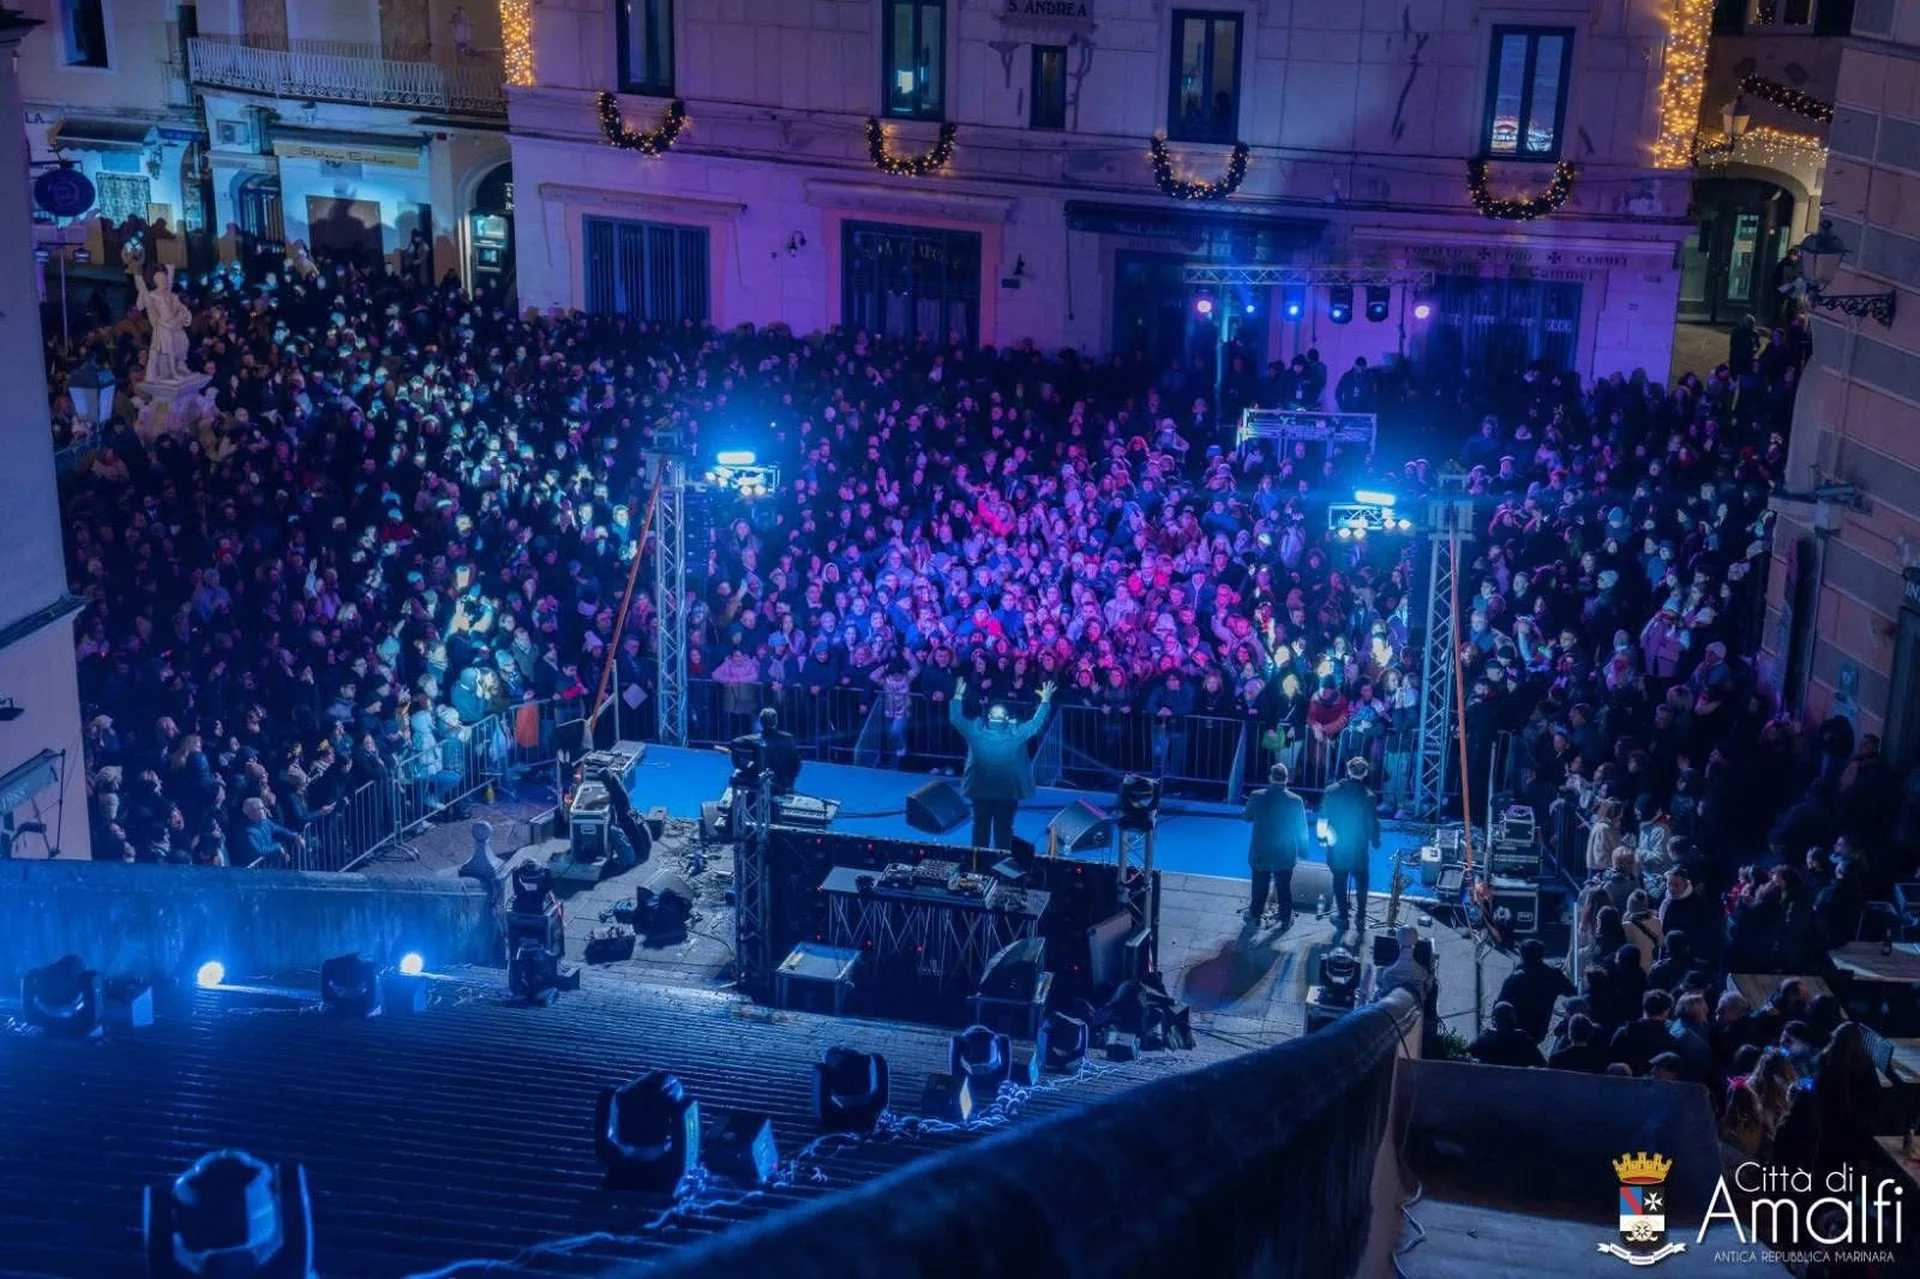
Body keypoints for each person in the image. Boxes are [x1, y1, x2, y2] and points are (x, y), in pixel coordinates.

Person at [948, 677, 1054, 850]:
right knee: (1003, 829)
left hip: (980, 790)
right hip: (1007, 792)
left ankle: (977, 865)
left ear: (989, 717)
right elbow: (1036, 724)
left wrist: (957, 698)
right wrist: (1045, 701)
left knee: (980, 828)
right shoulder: (1016, 733)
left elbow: (955, 718)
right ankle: (1001, 866)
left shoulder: (976, 730)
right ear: (1007, 719)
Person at [1240, 762, 1310, 927]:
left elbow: (1247, 817)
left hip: (1261, 849)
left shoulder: (1257, 795)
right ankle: (1285, 917)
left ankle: (1255, 914)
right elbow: (1301, 828)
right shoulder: (1296, 800)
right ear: (1287, 779)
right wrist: (1303, 849)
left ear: (1271, 778)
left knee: (1259, 884)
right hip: (1285, 851)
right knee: (1284, 886)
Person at [1320, 756, 1381, 937]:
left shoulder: (1331, 791)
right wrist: (1375, 841)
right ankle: (1360, 916)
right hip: (1358, 846)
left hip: (1337, 844)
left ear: (1348, 770)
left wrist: (1323, 839)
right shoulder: (1368, 796)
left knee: (1339, 879)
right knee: (1362, 881)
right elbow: (1372, 823)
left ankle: (1342, 917)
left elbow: (1323, 817)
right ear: (1365, 773)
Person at [1497, 938, 1577, 1042]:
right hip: (1539, 1030)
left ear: (1522, 956)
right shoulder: (1554, 976)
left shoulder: (1515, 978)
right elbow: (1573, 994)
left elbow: (1500, 1004)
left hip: (1515, 1029)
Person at [1469, 1001, 1546, 1068]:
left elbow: (1467, 1056)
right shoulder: (1524, 1041)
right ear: (1514, 1019)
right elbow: (1542, 1064)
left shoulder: (1484, 1039)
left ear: (1494, 1020)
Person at [753, 706, 803, 796]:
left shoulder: (754, 740)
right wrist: (791, 781)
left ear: (760, 722)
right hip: (785, 785)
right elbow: (796, 762)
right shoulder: (788, 738)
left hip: (762, 787)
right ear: (776, 721)